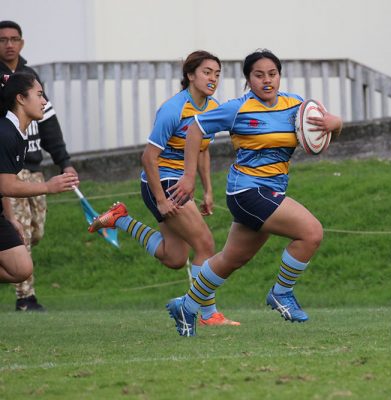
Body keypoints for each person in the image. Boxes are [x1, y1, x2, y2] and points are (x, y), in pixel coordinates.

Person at [165, 49, 343, 336]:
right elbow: (195, 128)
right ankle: (281, 293)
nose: (267, 81)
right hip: (246, 191)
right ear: (248, 79)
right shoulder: (238, 108)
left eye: (272, 74)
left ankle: (186, 305)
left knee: (231, 259)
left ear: (279, 76)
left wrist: (336, 124)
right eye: (259, 75)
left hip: (270, 191)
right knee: (311, 232)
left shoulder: (296, 106)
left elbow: (326, 129)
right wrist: (188, 177)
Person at [88, 50, 239, 326]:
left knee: (174, 257)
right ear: (190, 75)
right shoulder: (174, 109)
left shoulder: (213, 107)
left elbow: (202, 152)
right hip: (163, 183)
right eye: (207, 72)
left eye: (217, 73)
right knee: (205, 243)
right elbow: (148, 158)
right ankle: (207, 314)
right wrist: (160, 200)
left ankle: (120, 219)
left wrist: (207, 191)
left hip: (180, 184)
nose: (213, 78)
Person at [0, 20, 79, 311]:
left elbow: (51, 130)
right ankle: (26, 299)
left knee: (26, 253)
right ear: (20, 99)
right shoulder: (6, 132)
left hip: (19, 182)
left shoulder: (28, 82)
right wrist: (49, 186)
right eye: (40, 95)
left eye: (14, 39)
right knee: (21, 254)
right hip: (16, 183)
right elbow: (6, 184)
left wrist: (64, 164)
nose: (45, 101)